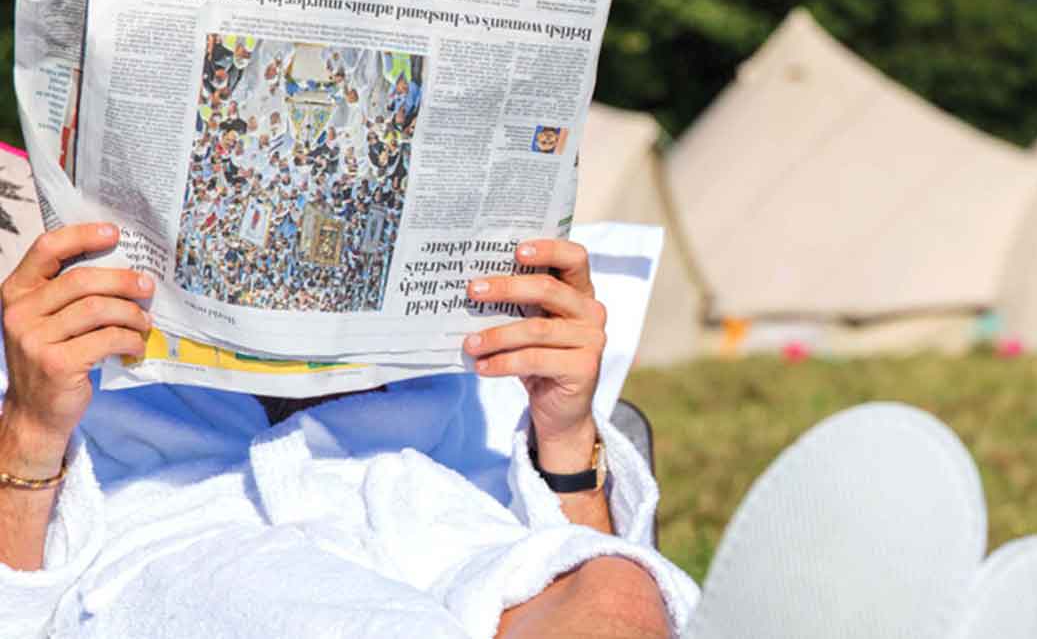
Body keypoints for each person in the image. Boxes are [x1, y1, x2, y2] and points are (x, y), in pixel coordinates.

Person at [0, 223, 694, 637]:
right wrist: (30, 423)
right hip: (182, 556)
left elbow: (573, 554)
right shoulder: (46, 335)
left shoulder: (469, 378)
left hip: (432, 533)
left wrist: (565, 434)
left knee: (618, 590)